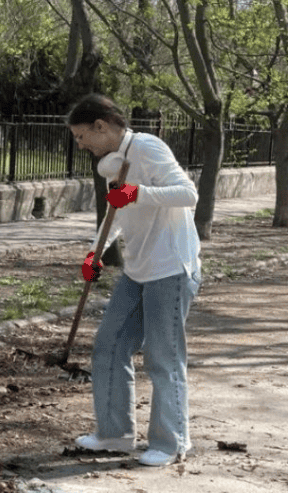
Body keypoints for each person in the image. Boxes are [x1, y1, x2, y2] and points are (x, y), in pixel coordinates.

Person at [67, 93, 202, 467]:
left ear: (101, 126)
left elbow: (188, 194)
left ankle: (170, 442)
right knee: (109, 345)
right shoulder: (114, 165)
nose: (80, 145)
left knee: (163, 358)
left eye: (82, 136)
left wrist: (137, 193)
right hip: (138, 269)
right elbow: (117, 216)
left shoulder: (147, 148)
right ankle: (115, 433)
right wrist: (94, 254)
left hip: (171, 268)